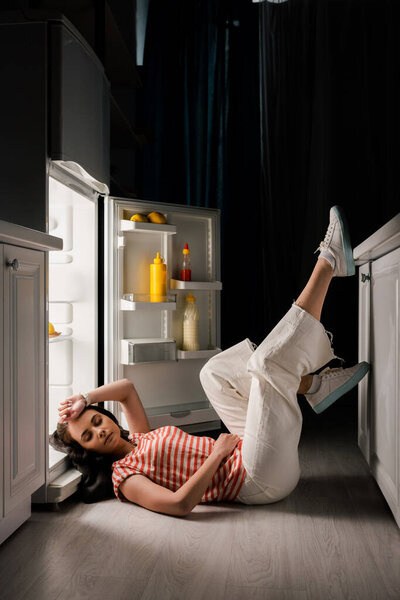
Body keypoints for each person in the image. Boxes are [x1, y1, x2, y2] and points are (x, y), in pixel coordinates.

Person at [54, 205, 369, 516]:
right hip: (256, 480)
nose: (100, 431)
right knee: (267, 366)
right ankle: (329, 261)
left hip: (247, 451)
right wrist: (216, 455)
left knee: (213, 373)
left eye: (96, 421)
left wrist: (86, 398)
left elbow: (126, 389)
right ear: (88, 451)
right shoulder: (124, 476)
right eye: (89, 437)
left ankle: (313, 386)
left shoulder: (138, 436)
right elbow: (179, 504)